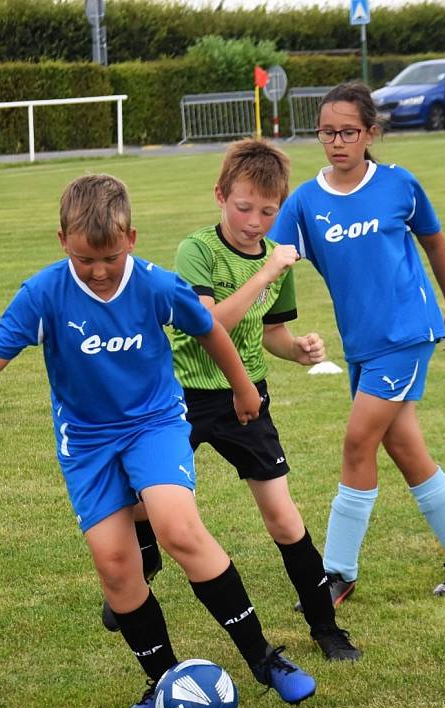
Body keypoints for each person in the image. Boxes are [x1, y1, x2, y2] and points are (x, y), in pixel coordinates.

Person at [0, 173, 317, 708]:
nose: (99, 270)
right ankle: (162, 683)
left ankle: (265, 660)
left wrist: (243, 388)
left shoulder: (156, 284)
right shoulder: (43, 294)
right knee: (115, 565)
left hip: (154, 423)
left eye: (108, 256)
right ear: (63, 242)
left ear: (131, 237)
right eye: (84, 259)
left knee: (177, 529)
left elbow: (210, 331)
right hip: (86, 444)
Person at [102, 140, 359, 661]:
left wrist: (299, 350)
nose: (255, 222)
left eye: (268, 212)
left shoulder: (275, 261)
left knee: (284, 519)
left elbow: (269, 334)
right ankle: (143, 562)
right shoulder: (197, 249)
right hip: (178, 397)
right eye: (244, 208)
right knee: (134, 504)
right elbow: (210, 324)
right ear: (220, 196)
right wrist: (265, 273)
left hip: (246, 398)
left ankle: (326, 628)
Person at [268, 82, 445, 603]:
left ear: (371, 133)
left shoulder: (398, 185)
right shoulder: (305, 201)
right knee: (404, 446)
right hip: (362, 345)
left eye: (348, 131)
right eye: (327, 132)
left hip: (408, 333)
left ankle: (337, 572)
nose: (336, 142)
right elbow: (273, 258)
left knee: (357, 443)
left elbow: (436, 244)